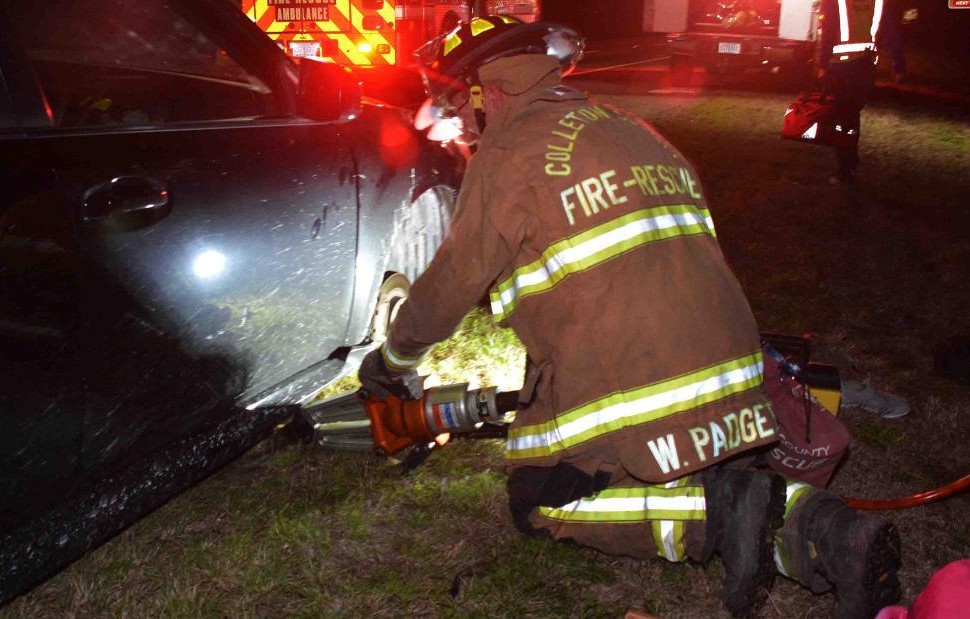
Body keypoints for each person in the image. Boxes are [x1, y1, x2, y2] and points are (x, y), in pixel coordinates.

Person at [359, 16, 900, 617]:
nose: (457, 131)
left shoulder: (510, 153)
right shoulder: (634, 129)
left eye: (455, 107)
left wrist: (392, 358)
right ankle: (819, 527)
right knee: (737, 496)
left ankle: (716, 512)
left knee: (541, 499)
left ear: (487, 91)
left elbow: (449, 285)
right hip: (742, 395)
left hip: (649, 390)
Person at [817, 0, 906, 183]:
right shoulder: (878, 3)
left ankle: (845, 167)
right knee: (851, 115)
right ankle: (849, 163)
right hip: (865, 68)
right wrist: (898, 64)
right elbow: (891, 33)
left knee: (841, 117)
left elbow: (828, 32)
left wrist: (822, 64)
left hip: (841, 68)